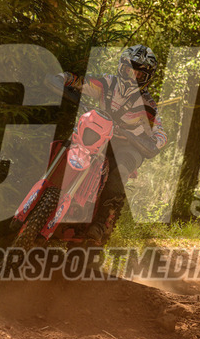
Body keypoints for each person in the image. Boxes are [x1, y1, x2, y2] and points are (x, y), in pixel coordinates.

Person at [58, 44, 167, 244]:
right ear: (121, 67)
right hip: (100, 135)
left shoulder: (147, 105)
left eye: (139, 74)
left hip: (128, 146)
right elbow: (82, 83)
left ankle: (101, 223)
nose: (132, 76)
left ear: (147, 78)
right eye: (128, 70)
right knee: (68, 146)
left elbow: (159, 132)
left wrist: (154, 142)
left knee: (120, 172)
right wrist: (64, 78)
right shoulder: (108, 83)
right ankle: (51, 195)